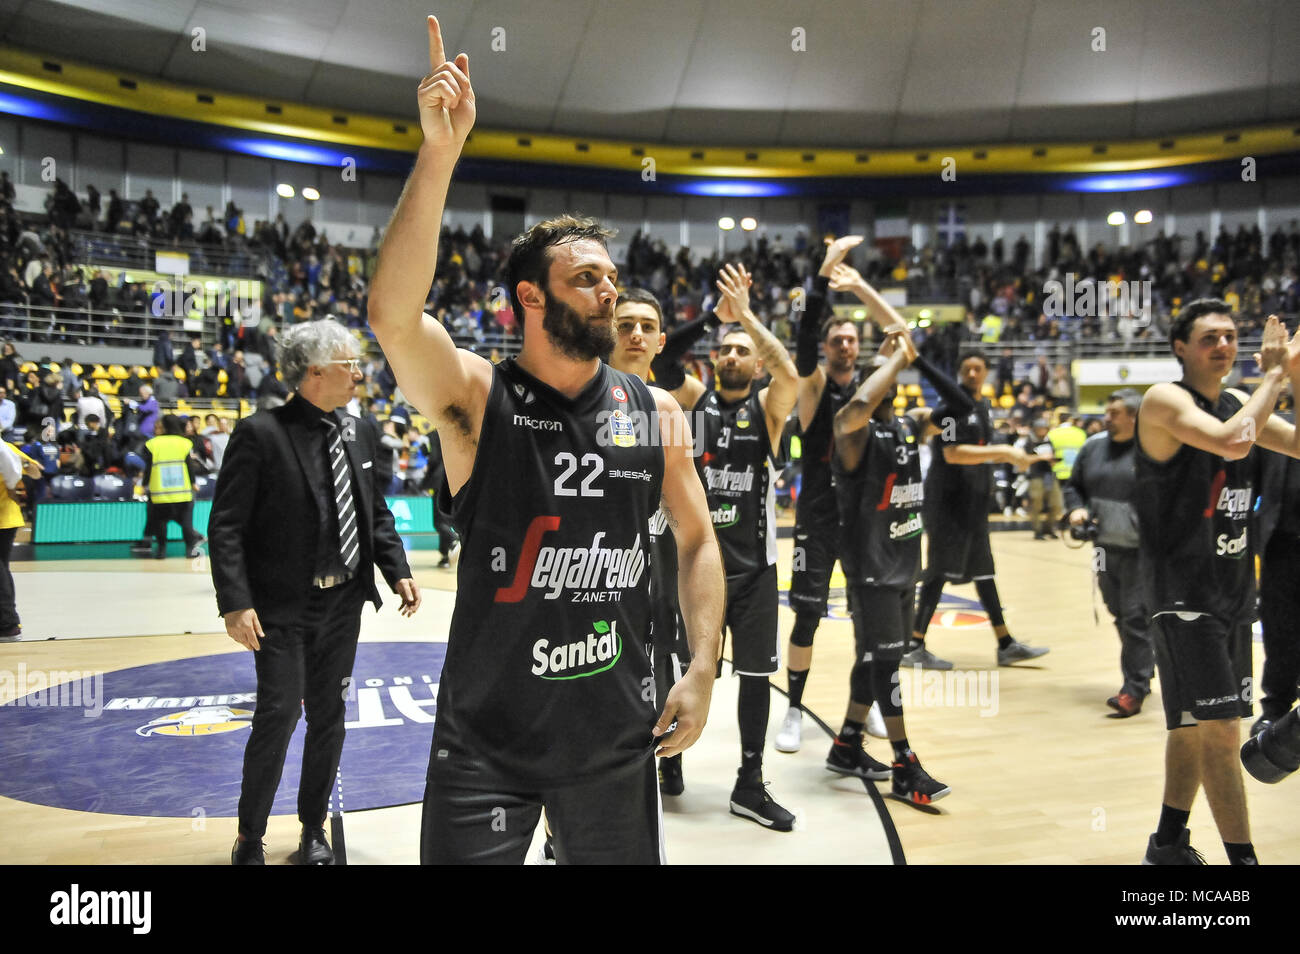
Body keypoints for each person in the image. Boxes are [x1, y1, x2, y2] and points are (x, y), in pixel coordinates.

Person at [368, 16, 724, 866]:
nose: (609, 293)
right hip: (486, 740)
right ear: (530, 298)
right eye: (586, 279)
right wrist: (441, 151)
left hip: (613, 737)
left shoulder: (655, 410)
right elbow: (390, 316)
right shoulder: (476, 396)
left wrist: (704, 662)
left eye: (611, 277)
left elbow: (701, 540)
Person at [209, 319, 421, 866]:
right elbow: (226, 525)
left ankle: (313, 831)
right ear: (315, 371)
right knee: (278, 715)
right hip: (280, 608)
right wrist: (235, 601)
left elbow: (373, 513)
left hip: (343, 603)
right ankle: (249, 837)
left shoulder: (361, 430)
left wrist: (396, 568)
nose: (360, 372)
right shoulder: (260, 433)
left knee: (330, 717)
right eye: (350, 363)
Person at [1134, 301, 1300, 865]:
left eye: (1231, 336)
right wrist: (1274, 375)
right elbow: (1233, 441)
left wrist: (1293, 376)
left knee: (1190, 728)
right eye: (1210, 338)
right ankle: (1243, 866)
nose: (1224, 346)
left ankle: (1167, 845)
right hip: (1183, 596)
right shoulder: (1165, 399)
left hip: (1230, 593)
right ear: (1181, 347)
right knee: (1224, 734)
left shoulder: (1237, 403)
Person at [674, 262, 801, 831]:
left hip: (754, 573)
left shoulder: (768, 410)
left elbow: (792, 376)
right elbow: (661, 359)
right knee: (674, 668)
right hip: (696, 567)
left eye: (740, 350)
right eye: (724, 350)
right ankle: (667, 764)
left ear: (754, 363)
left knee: (754, 677)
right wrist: (713, 318)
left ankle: (749, 783)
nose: (731, 356)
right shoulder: (695, 398)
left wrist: (746, 316)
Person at [832, 320, 959, 803]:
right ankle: (906, 764)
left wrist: (918, 357)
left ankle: (846, 743)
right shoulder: (854, 432)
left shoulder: (907, 426)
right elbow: (856, 409)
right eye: (884, 378)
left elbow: (957, 408)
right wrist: (894, 360)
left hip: (906, 563)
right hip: (871, 568)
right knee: (887, 663)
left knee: (873, 657)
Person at [772, 237, 872, 754]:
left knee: (869, 614)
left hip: (864, 517)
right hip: (817, 513)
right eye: (838, 339)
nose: (845, 345)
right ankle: (793, 708)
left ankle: (866, 702)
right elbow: (804, 330)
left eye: (853, 339)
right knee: (807, 616)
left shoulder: (873, 391)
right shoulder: (813, 389)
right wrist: (824, 274)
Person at [906, 351, 1050, 669]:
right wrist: (1006, 453)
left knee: (985, 573)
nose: (973, 374)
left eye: (978, 369)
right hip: (948, 504)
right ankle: (913, 644)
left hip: (973, 505)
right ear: (958, 373)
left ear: (986, 374)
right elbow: (954, 454)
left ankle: (1005, 644)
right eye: (967, 369)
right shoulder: (951, 409)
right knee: (939, 571)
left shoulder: (982, 407)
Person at [609, 286, 689, 795]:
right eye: (624, 324)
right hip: (601, 583)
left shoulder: (671, 411)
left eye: (646, 326)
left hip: (660, 575)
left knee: (666, 668)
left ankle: (668, 754)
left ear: (661, 341)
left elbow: (690, 522)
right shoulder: (579, 405)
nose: (635, 334)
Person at [1064, 388, 1150, 717]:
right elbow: (1074, 486)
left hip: (1140, 551)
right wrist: (1076, 510)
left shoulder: (1151, 450)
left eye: (1114, 413)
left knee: (1134, 616)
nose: (1107, 418)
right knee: (1117, 610)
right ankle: (1144, 666)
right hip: (1103, 547)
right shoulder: (1092, 447)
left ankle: (1134, 688)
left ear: (1133, 416)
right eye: (1107, 412)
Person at [140, 415, 205, 560]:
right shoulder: (184, 443)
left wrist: (144, 484)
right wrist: (193, 483)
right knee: (186, 522)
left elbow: (149, 468)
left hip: (160, 491)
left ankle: (161, 551)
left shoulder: (153, 443)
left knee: (160, 522)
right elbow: (189, 466)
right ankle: (190, 550)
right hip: (182, 491)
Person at [0, 438, 41, 640]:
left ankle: (9, 625)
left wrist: (20, 464)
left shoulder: (6, 449)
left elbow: (35, 470)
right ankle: (9, 624)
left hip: (4, 517)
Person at [1019, 417, 1062, 539]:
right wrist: (1041, 458)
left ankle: (1049, 528)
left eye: (1045, 428)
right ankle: (1037, 531)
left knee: (1056, 504)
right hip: (1035, 476)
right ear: (1035, 429)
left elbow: (1051, 455)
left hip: (1050, 475)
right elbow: (1024, 460)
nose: (1043, 431)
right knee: (1036, 504)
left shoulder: (1049, 441)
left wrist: (1053, 460)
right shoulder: (1029, 442)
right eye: (1041, 428)